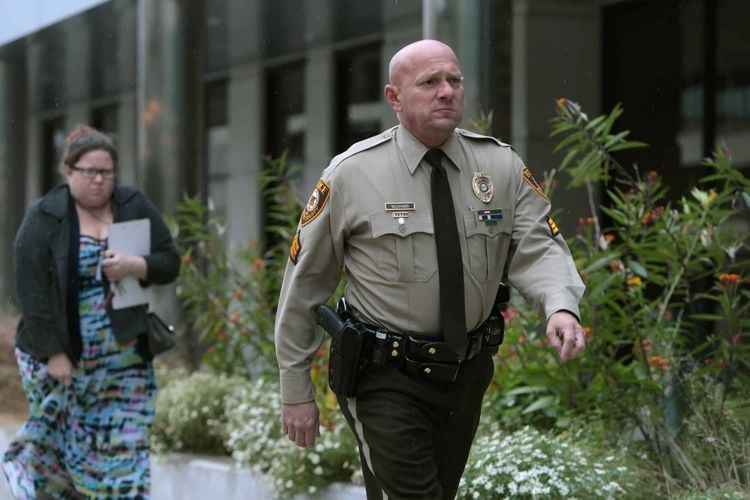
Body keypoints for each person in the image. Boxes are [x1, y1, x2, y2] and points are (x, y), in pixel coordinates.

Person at [275, 39, 586, 499]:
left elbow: (538, 247)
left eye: (454, 80)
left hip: (466, 374)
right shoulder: (351, 174)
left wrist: (560, 306)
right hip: (385, 376)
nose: (446, 91)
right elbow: (304, 288)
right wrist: (295, 388)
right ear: (394, 98)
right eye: (430, 83)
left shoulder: (499, 166)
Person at [1, 124, 180, 499]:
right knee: (70, 451)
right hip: (64, 358)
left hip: (125, 359)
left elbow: (169, 262)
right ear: (69, 173)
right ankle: (32, 471)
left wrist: (136, 265)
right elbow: (31, 293)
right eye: (90, 172)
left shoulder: (132, 204)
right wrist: (54, 353)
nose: (99, 180)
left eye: (107, 172)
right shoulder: (45, 217)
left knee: (127, 449)